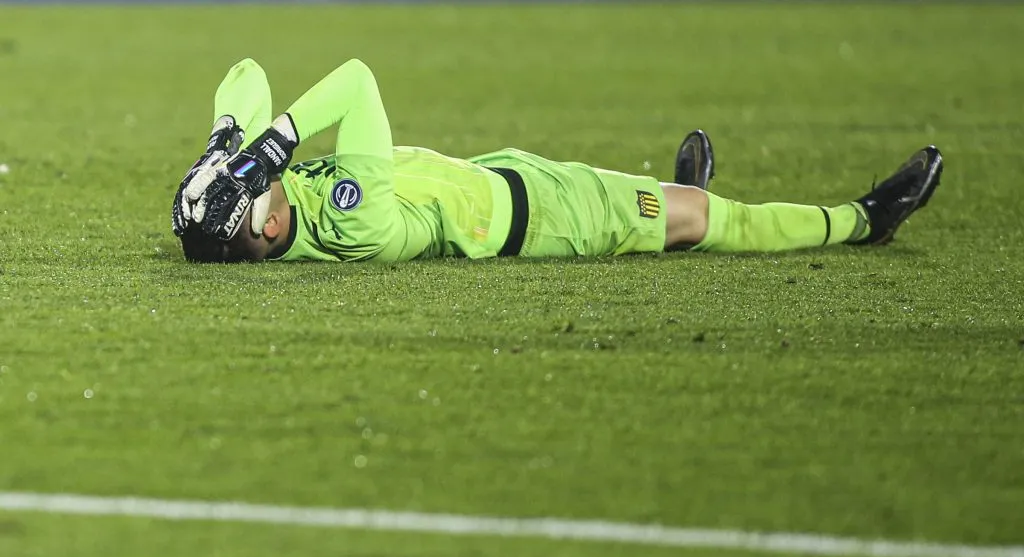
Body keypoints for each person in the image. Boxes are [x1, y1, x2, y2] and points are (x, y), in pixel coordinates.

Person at [171, 58, 943, 264]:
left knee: (668, 204)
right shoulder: (351, 217)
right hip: (545, 219)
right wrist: (270, 142)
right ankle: (862, 220)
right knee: (704, 222)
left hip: (491, 173)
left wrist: (222, 141)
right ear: (266, 230)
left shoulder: (274, 214)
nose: (259, 173)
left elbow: (243, 69)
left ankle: (670, 196)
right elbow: (357, 83)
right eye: (256, 182)